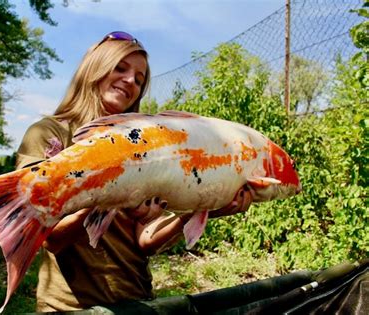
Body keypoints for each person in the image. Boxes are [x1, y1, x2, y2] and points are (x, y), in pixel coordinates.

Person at [16, 31, 252, 312]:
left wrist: (198, 213)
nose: (131, 81)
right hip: (68, 306)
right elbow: (50, 238)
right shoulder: (48, 134)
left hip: (136, 299)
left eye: (140, 80)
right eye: (121, 68)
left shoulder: (148, 144)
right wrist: (103, 195)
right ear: (95, 68)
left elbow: (145, 240)